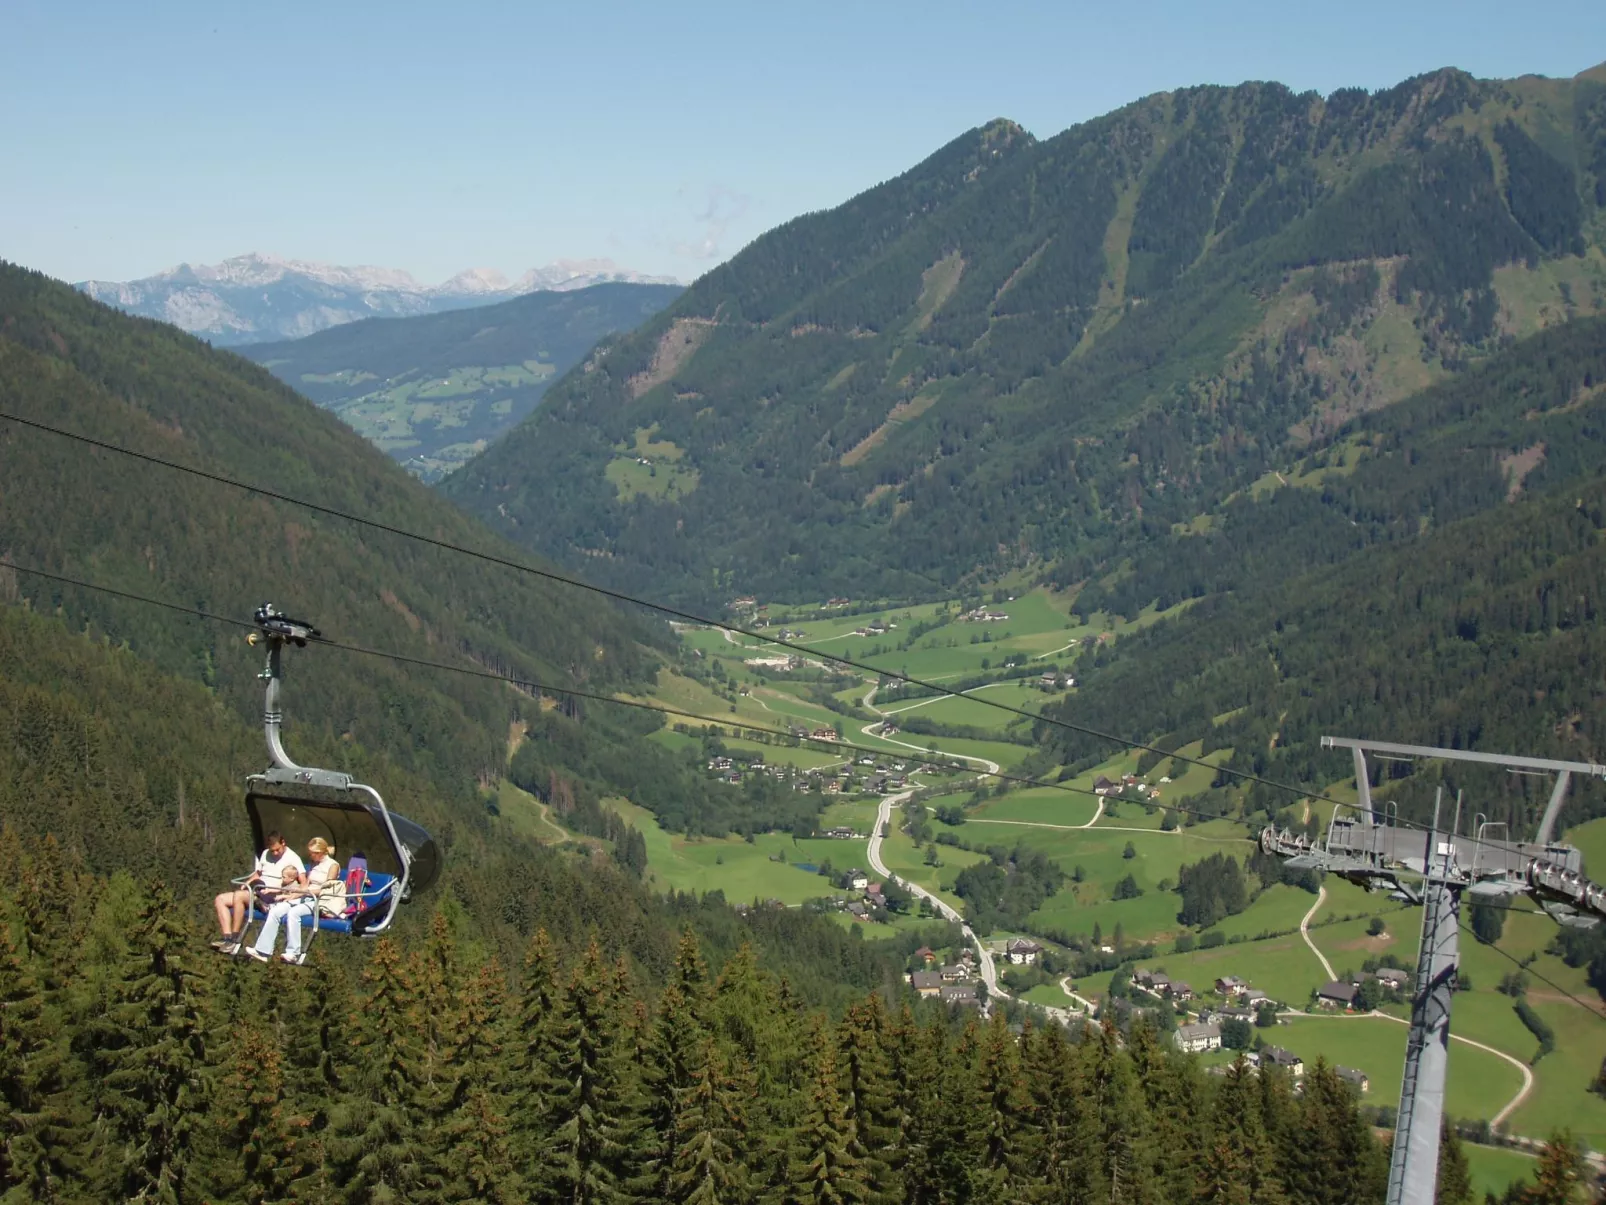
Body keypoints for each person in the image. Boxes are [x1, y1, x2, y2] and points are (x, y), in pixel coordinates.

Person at [249, 837, 343, 965]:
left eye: (312, 853)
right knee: (276, 911)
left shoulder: (333, 865)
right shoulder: (314, 864)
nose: (310, 856)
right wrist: (289, 896)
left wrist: (304, 893)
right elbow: (305, 885)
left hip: (320, 900)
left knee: (294, 912)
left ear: (320, 852)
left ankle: (293, 952)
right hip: (306, 895)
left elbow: (327, 889)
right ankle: (262, 950)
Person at [213, 831, 305, 954]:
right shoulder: (265, 854)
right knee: (220, 899)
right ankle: (227, 937)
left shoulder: (293, 858)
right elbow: (258, 873)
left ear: (283, 843)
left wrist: (291, 894)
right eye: (272, 850)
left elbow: (303, 882)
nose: (275, 853)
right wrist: (247, 883)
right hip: (258, 888)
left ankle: (235, 940)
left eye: (277, 850)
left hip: (272, 894)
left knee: (239, 896)